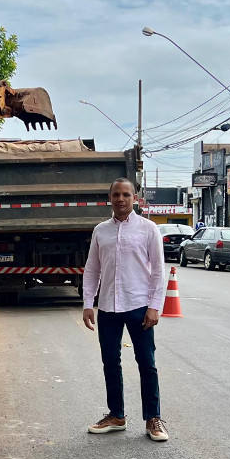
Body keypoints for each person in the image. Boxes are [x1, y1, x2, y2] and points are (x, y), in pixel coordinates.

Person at [82, 178, 168, 442]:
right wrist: (88, 303)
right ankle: (116, 415)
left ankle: (153, 418)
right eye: (116, 194)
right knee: (110, 362)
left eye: (126, 194)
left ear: (135, 198)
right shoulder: (101, 231)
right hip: (108, 306)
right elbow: (92, 269)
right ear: (109, 198)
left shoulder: (148, 229)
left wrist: (155, 307)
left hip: (139, 306)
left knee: (146, 363)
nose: (121, 199)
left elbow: (158, 272)